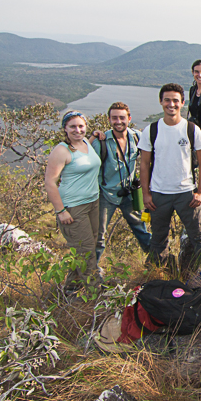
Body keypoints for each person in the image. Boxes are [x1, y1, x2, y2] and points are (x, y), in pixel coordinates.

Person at [138, 83, 201, 272]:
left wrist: (200, 192)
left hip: (186, 194)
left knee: (200, 237)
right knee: (158, 239)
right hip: (159, 195)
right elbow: (144, 165)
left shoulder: (192, 129)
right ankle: (158, 274)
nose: (171, 104)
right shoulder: (151, 131)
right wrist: (146, 194)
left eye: (175, 100)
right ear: (160, 101)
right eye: (167, 100)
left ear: (182, 102)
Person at [44, 111, 102, 291]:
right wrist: (61, 211)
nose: (78, 130)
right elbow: (50, 182)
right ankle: (95, 294)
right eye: (73, 127)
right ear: (65, 129)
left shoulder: (85, 143)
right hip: (73, 207)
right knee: (86, 254)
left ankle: (71, 288)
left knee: (87, 249)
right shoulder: (62, 150)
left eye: (81, 126)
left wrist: (93, 136)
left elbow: (84, 159)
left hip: (92, 203)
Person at [90, 102, 151, 262]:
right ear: (109, 120)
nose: (118, 121)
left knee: (142, 231)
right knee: (99, 236)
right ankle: (90, 272)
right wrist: (91, 138)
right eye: (114, 118)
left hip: (129, 195)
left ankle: (158, 263)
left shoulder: (137, 137)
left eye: (122, 118)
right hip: (106, 195)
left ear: (129, 118)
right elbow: (84, 160)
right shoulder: (100, 141)